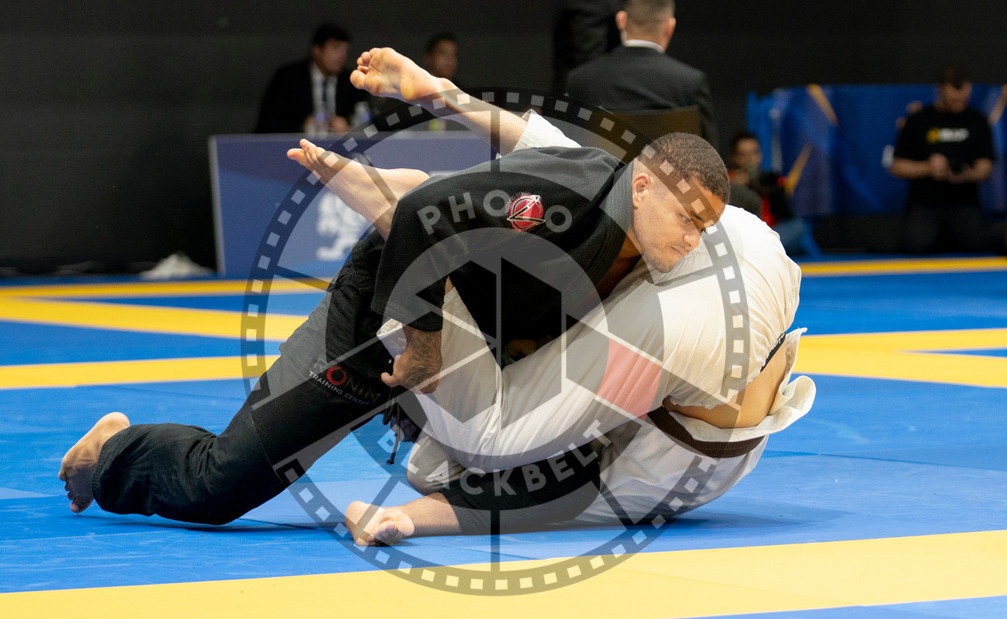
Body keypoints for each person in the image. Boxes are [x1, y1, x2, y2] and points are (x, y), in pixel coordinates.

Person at [57, 48, 729, 526]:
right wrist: (424, 349)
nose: (694, 235)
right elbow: (426, 218)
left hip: (463, 337)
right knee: (219, 484)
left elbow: (523, 131)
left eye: (707, 225)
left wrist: (436, 89)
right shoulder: (566, 200)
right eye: (688, 216)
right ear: (643, 184)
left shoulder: (651, 242)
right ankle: (112, 449)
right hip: (380, 319)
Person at [344, 114, 810, 546]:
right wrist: (447, 98)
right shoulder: (616, 446)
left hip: (747, 286)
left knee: (475, 448)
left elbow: (539, 490)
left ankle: (423, 220)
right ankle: (427, 213)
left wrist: (407, 517)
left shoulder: (599, 461)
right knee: (474, 444)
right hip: (739, 274)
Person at [564, 0, 718, 148]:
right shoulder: (691, 83)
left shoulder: (580, 81)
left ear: (621, 20)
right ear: (670, 26)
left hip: (604, 174)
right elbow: (711, 161)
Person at [889, 65, 999, 254]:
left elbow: (985, 167)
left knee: (981, 247)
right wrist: (928, 168)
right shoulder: (919, 121)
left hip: (965, 202)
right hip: (925, 203)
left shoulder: (977, 120)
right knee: (915, 246)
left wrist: (967, 174)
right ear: (940, 90)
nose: (958, 104)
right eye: (953, 100)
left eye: (962, 100)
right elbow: (897, 167)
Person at [254, 23, 368, 135]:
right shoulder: (288, 78)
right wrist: (301, 127)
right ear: (317, 50)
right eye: (335, 48)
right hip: (295, 146)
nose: (342, 56)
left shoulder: (352, 80)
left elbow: (369, 122)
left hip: (340, 149)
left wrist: (348, 126)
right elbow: (267, 123)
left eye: (345, 51)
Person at [728, 131, 808, 255]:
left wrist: (761, 187)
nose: (750, 160)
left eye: (754, 153)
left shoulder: (771, 179)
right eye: (744, 155)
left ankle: (762, 251)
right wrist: (735, 188)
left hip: (770, 235)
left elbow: (787, 215)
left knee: (798, 227)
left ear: (760, 155)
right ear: (734, 158)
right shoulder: (727, 181)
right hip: (740, 237)